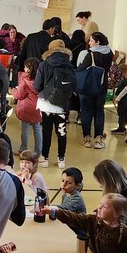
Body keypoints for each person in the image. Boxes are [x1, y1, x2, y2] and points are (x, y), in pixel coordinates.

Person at [45, 194, 127, 253]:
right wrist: (54, 212)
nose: (99, 207)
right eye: (100, 204)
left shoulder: (123, 232)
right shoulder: (92, 220)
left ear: (117, 213)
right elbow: (73, 218)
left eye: (105, 207)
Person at [35, 39, 75, 169]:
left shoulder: (44, 64)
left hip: (46, 103)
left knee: (46, 131)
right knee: (61, 131)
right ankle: (61, 159)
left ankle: (45, 158)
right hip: (62, 104)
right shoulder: (69, 65)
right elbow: (75, 85)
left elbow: (37, 85)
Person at [76, 32, 113, 149]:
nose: (89, 43)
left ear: (97, 42)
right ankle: (98, 139)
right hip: (101, 86)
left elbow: (81, 68)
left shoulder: (91, 54)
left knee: (86, 112)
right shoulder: (109, 53)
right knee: (99, 112)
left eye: (91, 41)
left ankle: (87, 138)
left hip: (88, 86)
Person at [12, 58, 42, 153]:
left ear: (28, 68)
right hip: (38, 106)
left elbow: (19, 95)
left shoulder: (25, 81)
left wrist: (13, 91)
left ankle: (23, 148)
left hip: (26, 107)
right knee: (37, 128)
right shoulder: (41, 79)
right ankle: (38, 151)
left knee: (25, 129)